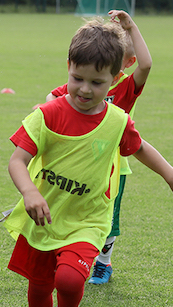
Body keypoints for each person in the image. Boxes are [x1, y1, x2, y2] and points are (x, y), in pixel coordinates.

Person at [5, 19, 173, 307]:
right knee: (39, 284)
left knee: (68, 279)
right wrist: (30, 193)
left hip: (88, 219)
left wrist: (172, 176)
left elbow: (140, 148)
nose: (84, 89)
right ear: (68, 67)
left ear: (114, 79)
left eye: (96, 83)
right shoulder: (47, 114)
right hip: (46, 215)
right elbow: (17, 161)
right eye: (77, 78)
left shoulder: (117, 120)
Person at [45, 10, 151, 285]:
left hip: (114, 166)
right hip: (78, 164)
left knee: (109, 219)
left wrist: (131, 27)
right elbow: (51, 100)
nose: (87, 89)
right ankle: (67, 255)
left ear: (123, 66)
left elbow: (146, 65)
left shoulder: (125, 88)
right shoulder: (79, 86)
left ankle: (103, 263)